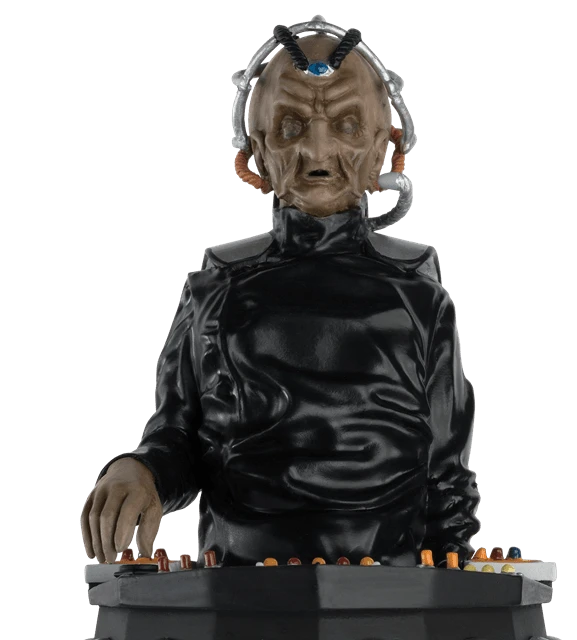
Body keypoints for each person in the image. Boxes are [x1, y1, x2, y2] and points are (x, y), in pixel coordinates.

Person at [81, 27, 479, 569]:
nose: (317, 151)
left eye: (346, 124)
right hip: (239, 594)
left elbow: (446, 478)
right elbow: (178, 440)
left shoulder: (420, 299)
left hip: (390, 595)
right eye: (291, 126)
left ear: (385, 147)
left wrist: (459, 589)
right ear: (256, 152)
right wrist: (141, 469)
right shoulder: (215, 292)